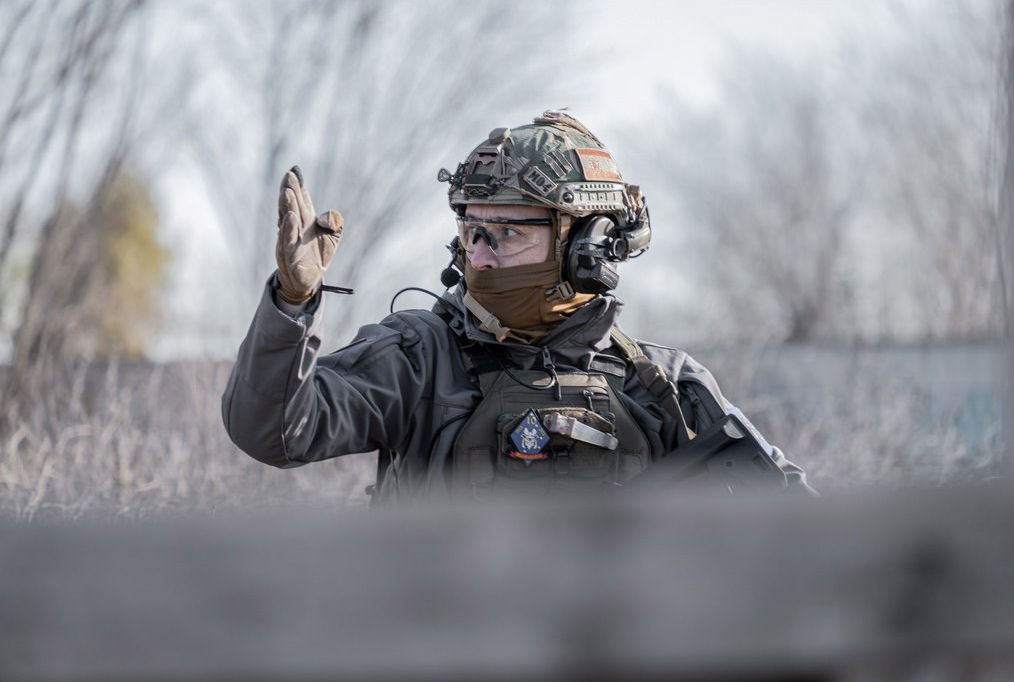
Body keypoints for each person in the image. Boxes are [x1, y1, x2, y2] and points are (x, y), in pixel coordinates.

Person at [222, 110, 814, 502]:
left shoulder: (660, 386)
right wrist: (292, 306)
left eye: (507, 233)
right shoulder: (419, 358)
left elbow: (795, 526)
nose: (480, 256)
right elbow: (273, 432)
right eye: (472, 231)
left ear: (587, 245)